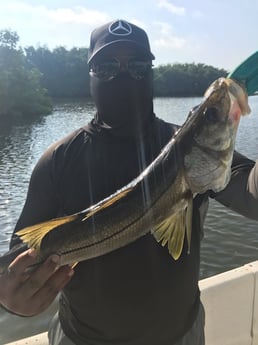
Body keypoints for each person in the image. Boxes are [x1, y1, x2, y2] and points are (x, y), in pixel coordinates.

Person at [0, 19, 258, 345]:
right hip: (80, 338)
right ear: (90, 75)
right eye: (107, 66)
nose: (123, 75)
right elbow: (20, 260)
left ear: (151, 71)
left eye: (137, 65)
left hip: (180, 335)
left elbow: (252, 192)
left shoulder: (191, 146)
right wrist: (12, 301)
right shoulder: (57, 161)